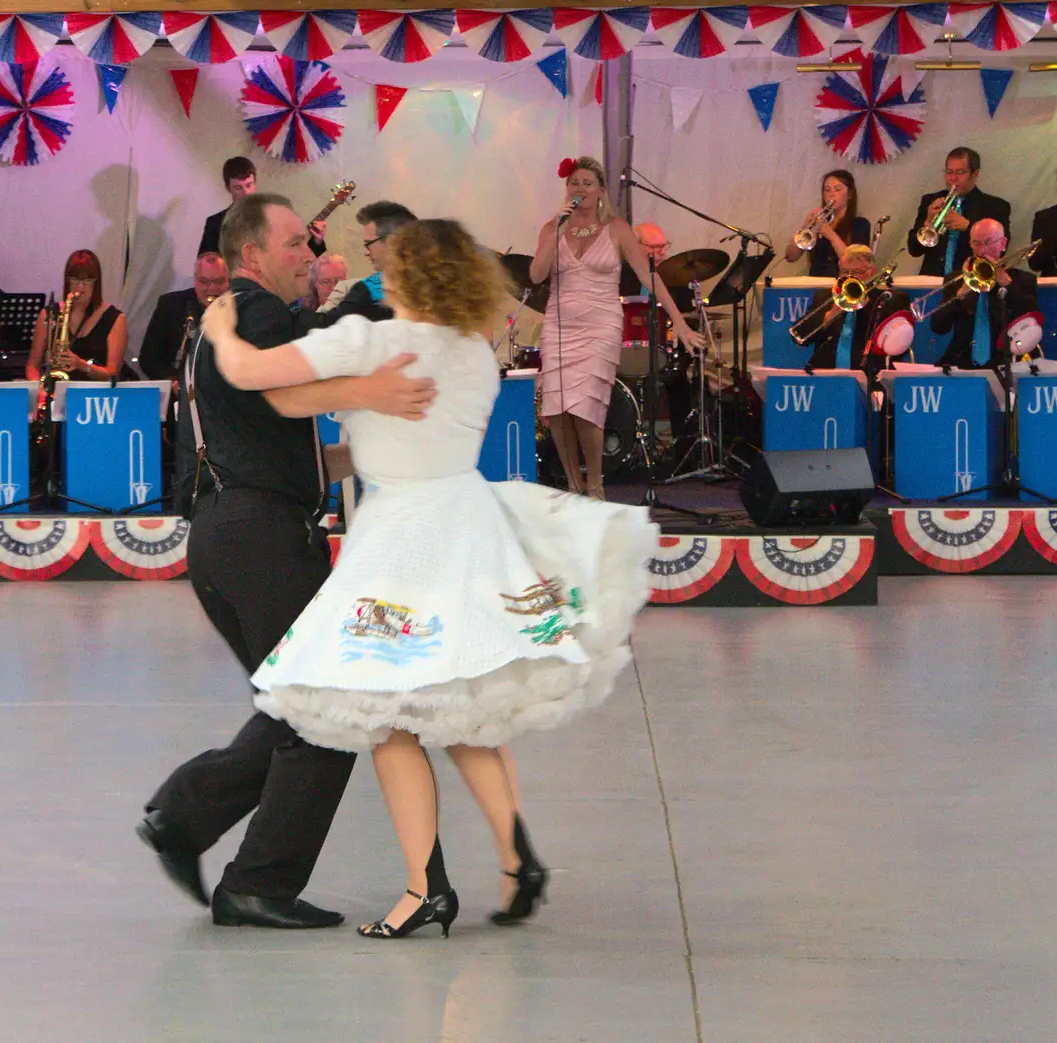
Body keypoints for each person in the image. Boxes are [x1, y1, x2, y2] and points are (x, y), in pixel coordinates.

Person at [198, 218, 658, 938]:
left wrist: (223, 328)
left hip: (403, 543)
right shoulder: (477, 354)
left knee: (386, 716)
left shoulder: (377, 340)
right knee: (459, 704)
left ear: (403, 278)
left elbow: (270, 386)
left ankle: (424, 889)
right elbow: (406, 440)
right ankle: (513, 853)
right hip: (469, 527)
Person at [139, 193, 439, 930]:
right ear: (252, 257)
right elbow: (330, 344)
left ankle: (185, 813)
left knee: (297, 702)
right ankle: (254, 879)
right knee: (328, 708)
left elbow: (285, 437)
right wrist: (376, 293)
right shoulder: (255, 313)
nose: (309, 253)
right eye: (294, 244)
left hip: (230, 532)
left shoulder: (232, 326)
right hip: (258, 535)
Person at [530, 156, 704, 498]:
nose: (580, 189)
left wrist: (680, 322)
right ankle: (572, 481)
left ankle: (595, 483)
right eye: (574, 183)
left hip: (601, 325)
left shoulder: (617, 229)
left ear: (601, 191)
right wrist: (557, 231)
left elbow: (648, 278)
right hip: (560, 324)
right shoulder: (553, 228)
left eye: (587, 183)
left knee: (587, 405)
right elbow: (536, 275)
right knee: (558, 408)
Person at [932, 219, 1039, 371]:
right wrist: (960, 295)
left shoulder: (1022, 280)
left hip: (1007, 363)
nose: (981, 251)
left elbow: (1032, 322)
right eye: (976, 243)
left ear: (1003, 244)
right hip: (963, 363)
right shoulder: (956, 280)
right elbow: (938, 327)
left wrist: (1007, 285)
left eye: (988, 243)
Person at [798, 245, 914, 373]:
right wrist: (828, 317)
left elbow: (897, 345)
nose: (850, 277)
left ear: (872, 272)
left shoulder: (890, 299)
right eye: (844, 271)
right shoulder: (826, 297)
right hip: (827, 377)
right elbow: (799, 336)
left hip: (870, 378)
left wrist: (867, 307)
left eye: (857, 272)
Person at [906, 147, 1012, 277]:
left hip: (972, 280)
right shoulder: (930, 201)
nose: (953, 178)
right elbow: (914, 250)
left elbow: (1000, 251)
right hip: (932, 281)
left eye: (960, 172)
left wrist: (968, 227)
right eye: (949, 172)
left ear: (975, 174)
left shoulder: (996, 206)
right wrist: (928, 221)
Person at [26, 250, 127, 383]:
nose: (80, 286)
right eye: (75, 279)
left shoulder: (115, 319)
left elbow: (112, 374)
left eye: (87, 280)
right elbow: (32, 365)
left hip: (94, 398)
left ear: (96, 282)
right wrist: (39, 389)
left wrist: (81, 365)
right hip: (55, 392)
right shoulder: (50, 314)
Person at [199, 157, 326, 258]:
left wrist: (316, 242)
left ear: (255, 183)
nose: (245, 192)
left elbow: (294, 257)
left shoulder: (274, 217)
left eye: (249, 185)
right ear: (228, 188)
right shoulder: (214, 223)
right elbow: (206, 264)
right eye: (238, 187)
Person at [136, 253, 231, 383]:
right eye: (204, 282)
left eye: (219, 281)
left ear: (229, 280)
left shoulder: (242, 306)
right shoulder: (170, 305)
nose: (212, 288)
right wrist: (173, 381)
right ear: (195, 280)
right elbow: (148, 359)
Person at [783, 170, 873, 278]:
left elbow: (857, 265)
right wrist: (805, 226)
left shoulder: (860, 224)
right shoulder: (818, 223)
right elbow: (790, 257)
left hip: (843, 284)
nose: (831, 194)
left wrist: (829, 233)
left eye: (837, 189)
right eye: (827, 190)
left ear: (849, 194)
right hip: (816, 284)